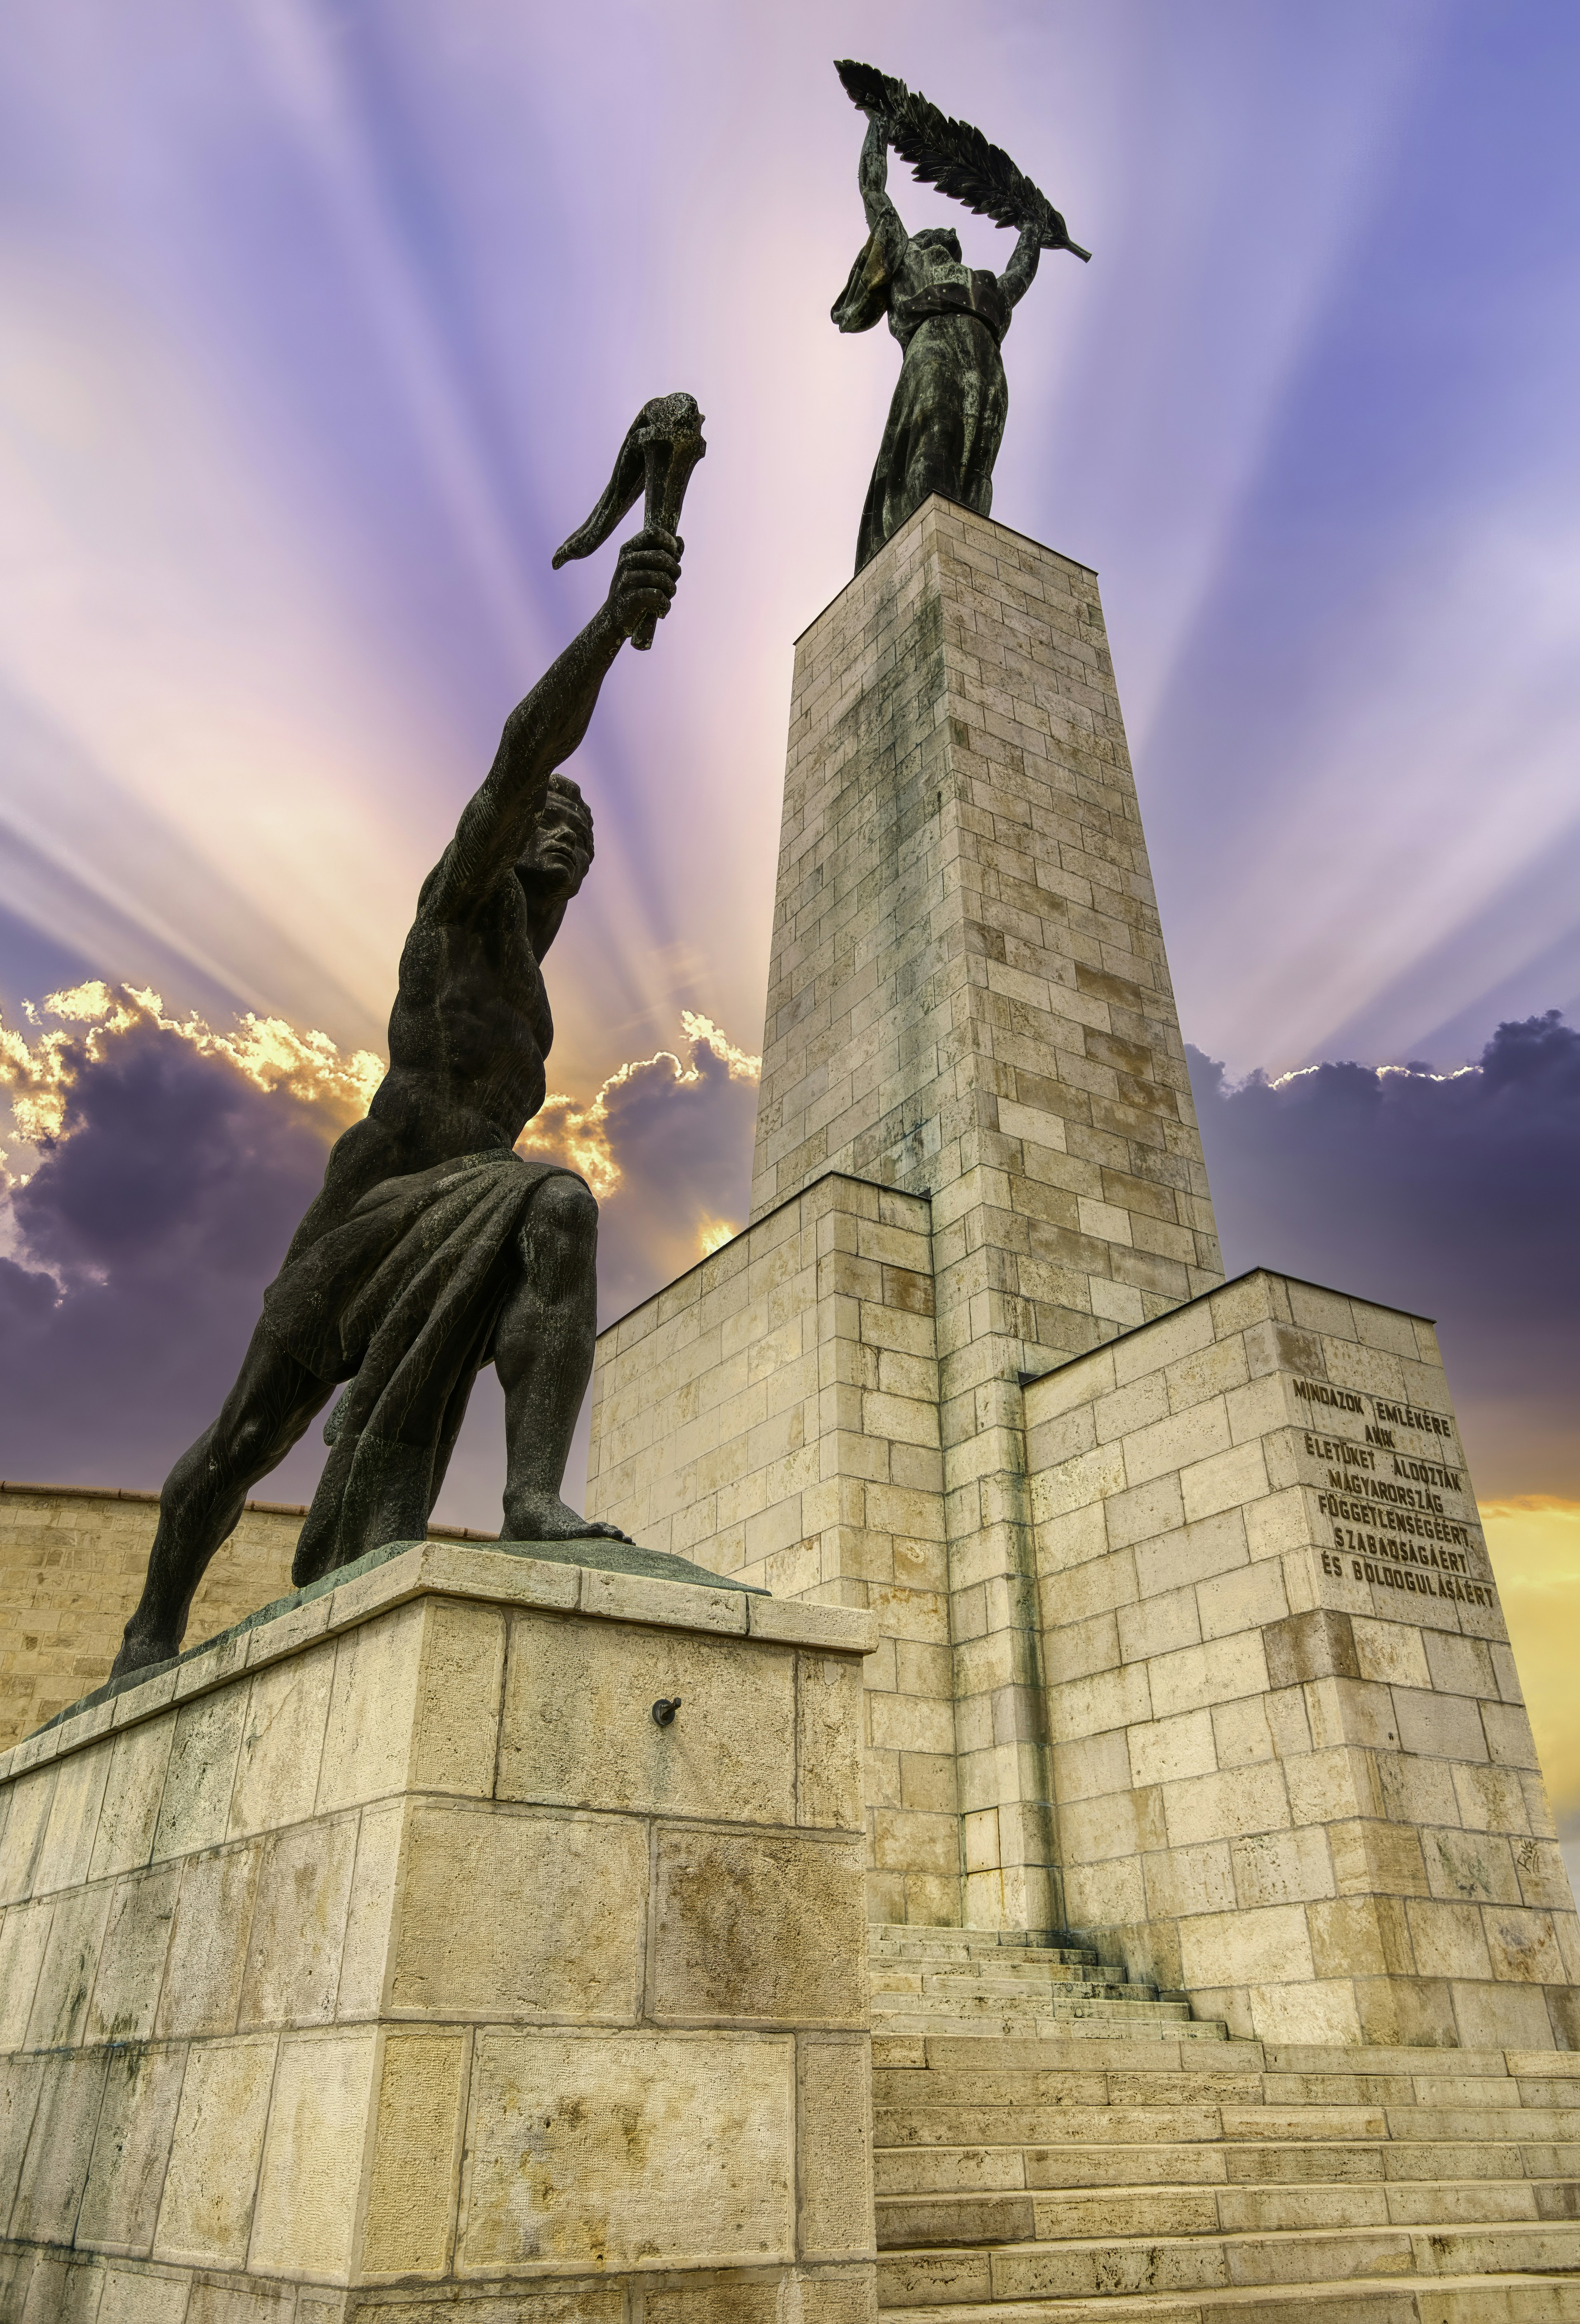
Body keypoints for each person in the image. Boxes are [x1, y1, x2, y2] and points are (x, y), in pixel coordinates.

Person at [110, 525, 682, 1680]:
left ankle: (530, 1497)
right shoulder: (460, 904)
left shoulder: (532, 993)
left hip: (454, 1206)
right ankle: (149, 1626)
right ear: (510, 834)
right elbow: (526, 751)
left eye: (586, 830)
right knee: (240, 1444)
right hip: (364, 1218)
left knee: (559, 1209)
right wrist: (610, 630)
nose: (568, 833)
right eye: (552, 819)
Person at [834, 114, 1043, 573]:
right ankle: (923, 550)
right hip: (933, 349)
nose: (947, 235)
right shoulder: (907, 256)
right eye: (936, 234)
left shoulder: (982, 284)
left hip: (987, 363)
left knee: (976, 463)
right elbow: (874, 192)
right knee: (936, 437)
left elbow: (1018, 279)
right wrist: (878, 126)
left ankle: (963, 556)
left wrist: (1033, 230)